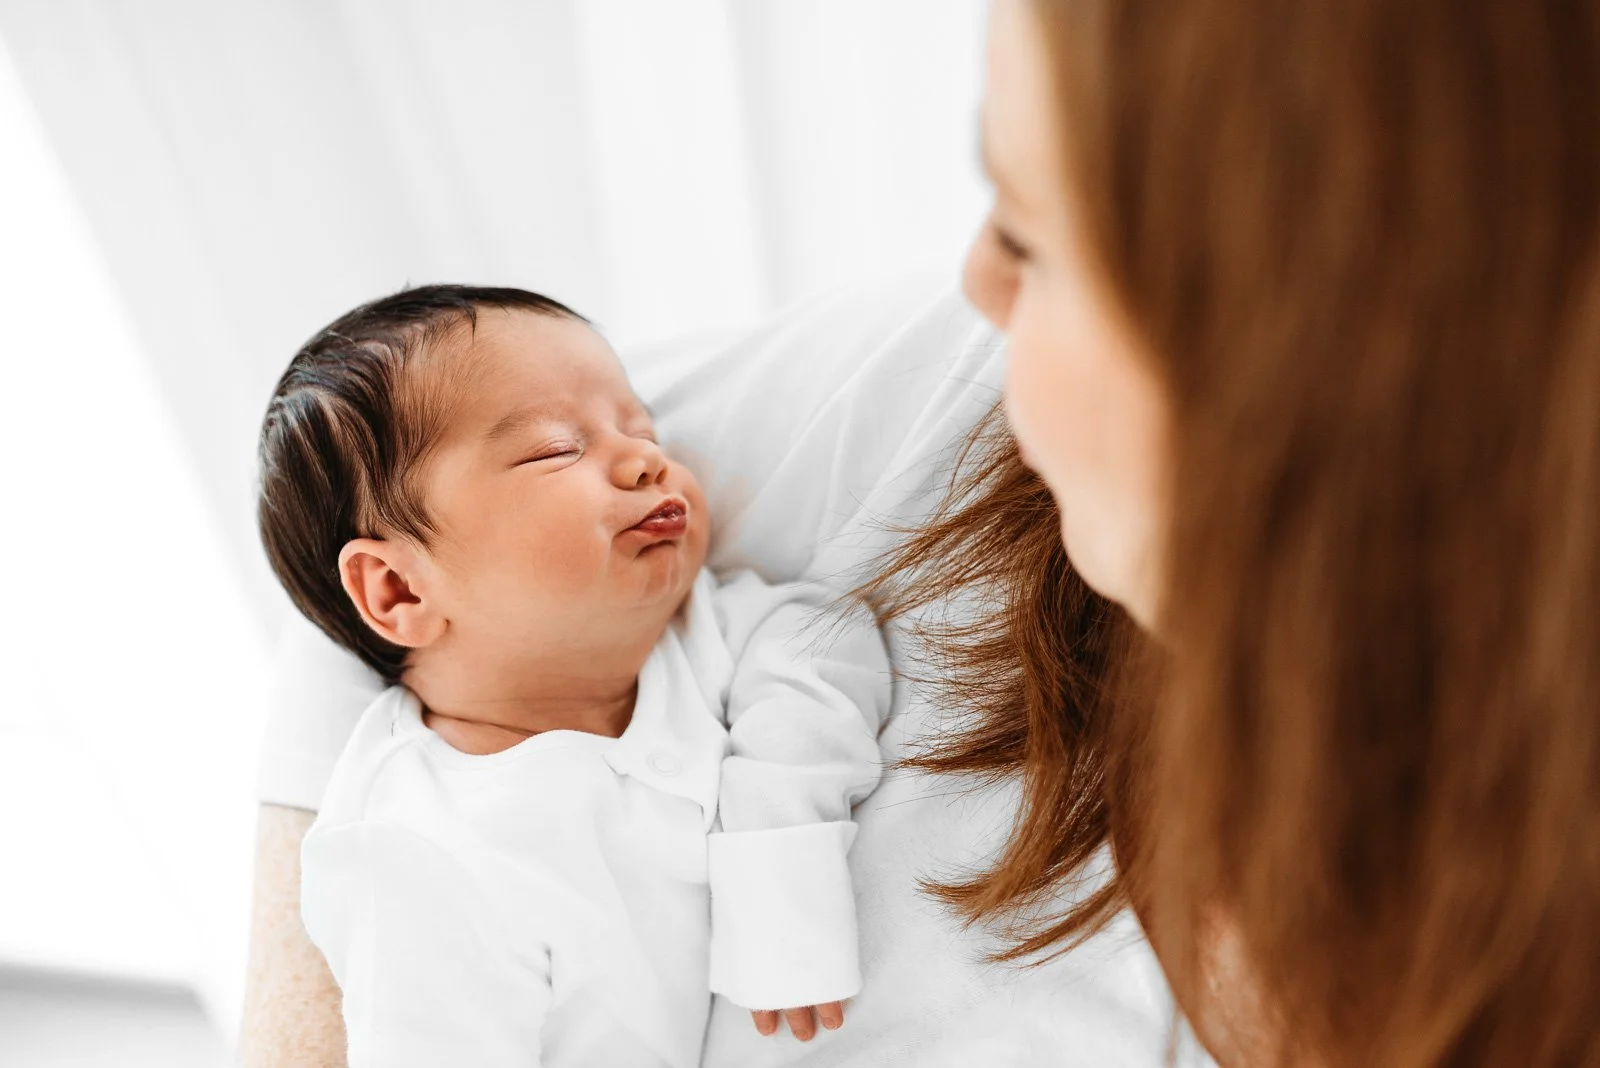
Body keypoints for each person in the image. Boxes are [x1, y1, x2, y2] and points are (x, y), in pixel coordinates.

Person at [244, 0, 1600, 1064]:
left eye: (1039, 234)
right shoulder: (954, 396)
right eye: (565, 449)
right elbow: (362, 575)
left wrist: (778, 870)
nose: (977, 281)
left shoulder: (732, 630)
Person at [255, 285, 889, 1066]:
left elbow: (827, 637)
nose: (647, 459)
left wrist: (780, 834)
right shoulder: (421, 857)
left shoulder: (699, 631)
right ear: (401, 590)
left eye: (640, 426)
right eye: (556, 447)